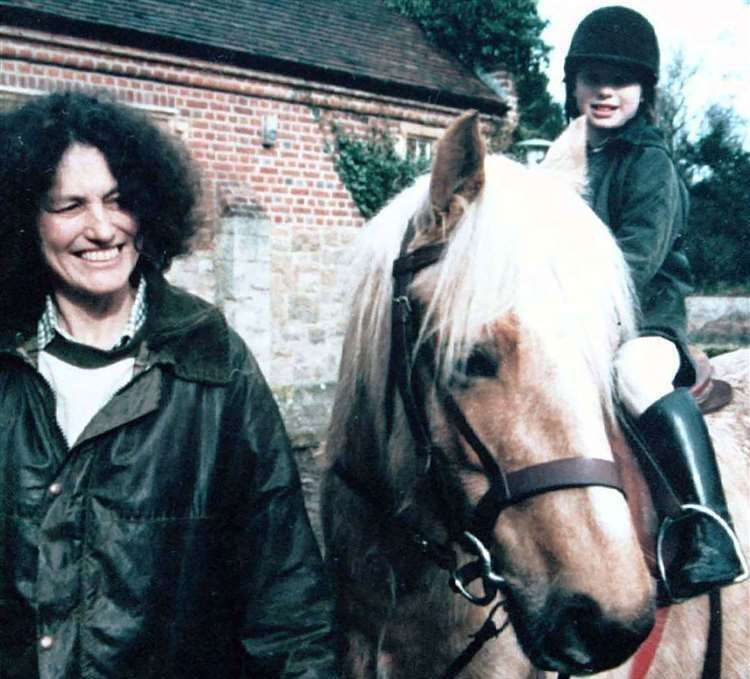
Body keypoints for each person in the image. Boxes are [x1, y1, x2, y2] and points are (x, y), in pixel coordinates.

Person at [0, 91, 340, 678]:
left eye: (117, 200)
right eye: (69, 206)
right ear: (25, 220)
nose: (102, 228)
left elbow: (284, 596)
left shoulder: (213, 362)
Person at [544, 6, 747, 602]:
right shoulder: (562, 159)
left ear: (643, 91)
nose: (605, 91)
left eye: (621, 81)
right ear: (573, 86)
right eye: (592, 78)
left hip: (644, 321)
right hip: (572, 322)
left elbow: (636, 258)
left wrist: (571, 307)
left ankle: (712, 530)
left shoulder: (650, 163)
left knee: (633, 376)